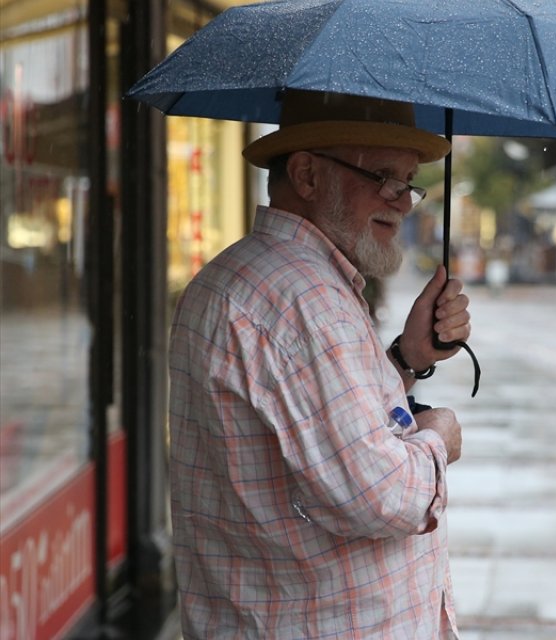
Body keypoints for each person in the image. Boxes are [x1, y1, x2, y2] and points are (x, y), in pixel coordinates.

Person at [167, 90, 471, 638]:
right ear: (307, 175)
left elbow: (308, 427)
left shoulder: (241, 274)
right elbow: (381, 497)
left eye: (408, 181)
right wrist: (438, 440)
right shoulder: (306, 300)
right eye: (382, 175)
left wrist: (408, 358)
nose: (401, 201)